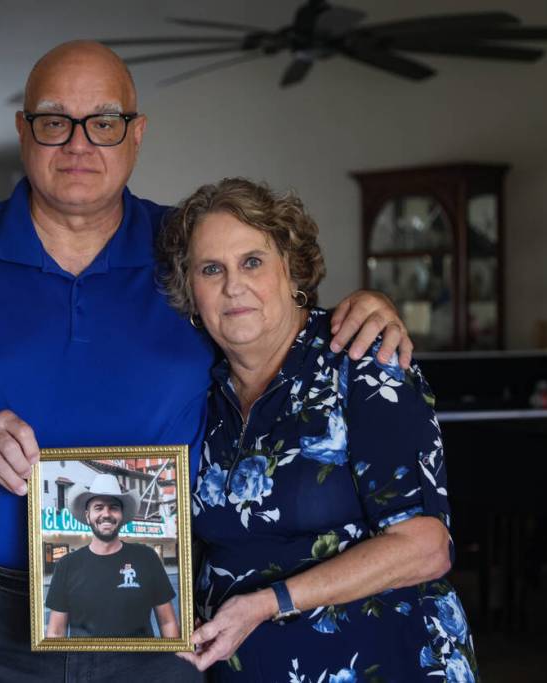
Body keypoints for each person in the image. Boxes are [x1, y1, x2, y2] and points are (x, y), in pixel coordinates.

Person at [0, 41, 413, 682]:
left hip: (152, 613)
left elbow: (278, 322)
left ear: (136, 135)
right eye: (54, 121)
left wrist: (363, 308)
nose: (78, 145)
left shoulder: (190, 251)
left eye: (104, 122)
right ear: (23, 132)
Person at [157, 178, 479, 682]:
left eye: (252, 262)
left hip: (385, 661)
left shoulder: (362, 360)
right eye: (211, 269)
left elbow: (425, 546)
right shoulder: (200, 393)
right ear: (190, 291)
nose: (233, 285)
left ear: (292, 270)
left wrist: (269, 603)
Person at [46, 473, 177, 638]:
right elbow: (56, 631)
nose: (106, 514)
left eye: (113, 507)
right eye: (98, 507)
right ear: (88, 516)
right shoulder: (67, 565)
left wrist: (173, 661)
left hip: (142, 662)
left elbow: (167, 621)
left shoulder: (147, 557)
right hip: (84, 663)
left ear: (121, 515)